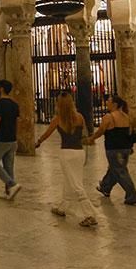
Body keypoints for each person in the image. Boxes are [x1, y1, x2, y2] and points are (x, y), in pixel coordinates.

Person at [36, 93, 99, 227]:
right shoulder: (80, 117)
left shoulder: (58, 119)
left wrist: (38, 141)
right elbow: (85, 134)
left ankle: (90, 214)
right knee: (70, 180)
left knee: (76, 185)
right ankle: (63, 207)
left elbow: (47, 133)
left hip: (66, 153)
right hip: (79, 152)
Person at [88, 95, 136, 205]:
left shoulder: (109, 117)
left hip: (114, 149)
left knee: (120, 171)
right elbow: (130, 133)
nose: (106, 102)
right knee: (114, 168)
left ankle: (133, 195)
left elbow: (101, 131)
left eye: (109, 101)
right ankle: (105, 187)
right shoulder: (127, 117)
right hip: (126, 149)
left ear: (115, 104)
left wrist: (91, 139)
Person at [0, 79, 22, 200]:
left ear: (1, 89)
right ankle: (9, 192)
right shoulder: (15, 104)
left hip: (1, 140)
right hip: (12, 140)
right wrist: (15, 137)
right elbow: (17, 123)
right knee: (8, 166)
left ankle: (12, 184)